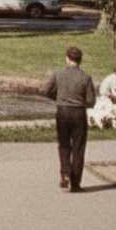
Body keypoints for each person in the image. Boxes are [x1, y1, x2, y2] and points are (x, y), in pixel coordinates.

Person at [43, 46, 96, 192]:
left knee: (64, 143)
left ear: (67, 58)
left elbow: (46, 91)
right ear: (80, 60)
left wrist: (59, 98)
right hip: (78, 112)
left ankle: (65, 172)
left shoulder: (57, 73)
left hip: (63, 111)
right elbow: (91, 101)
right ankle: (75, 183)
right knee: (78, 147)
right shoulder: (86, 77)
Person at [89, 63, 116, 129]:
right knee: (114, 111)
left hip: (105, 98)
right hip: (105, 99)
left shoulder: (113, 78)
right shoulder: (114, 79)